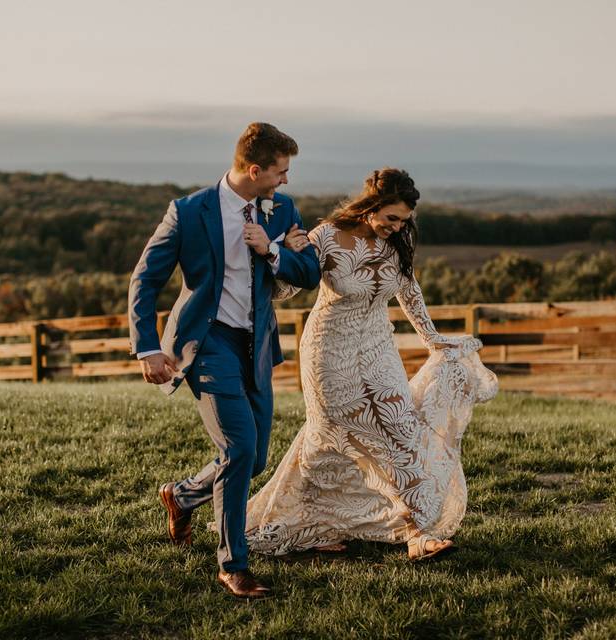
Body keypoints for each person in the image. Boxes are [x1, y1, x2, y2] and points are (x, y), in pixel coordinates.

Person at [244, 168, 498, 561]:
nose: (396, 228)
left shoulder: (397, 244)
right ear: (370, 208)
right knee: (331, 442)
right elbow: (285, 289)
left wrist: (433, 339)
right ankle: (308, 522)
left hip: (379, 347)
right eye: (391, 218)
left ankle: (417, 532)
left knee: (401, 430)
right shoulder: (325, 236)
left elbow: (409, 292)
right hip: (329, 352)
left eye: (403, 221)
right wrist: (281, 252)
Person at [128, 123, 320, 598]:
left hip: (255, 345)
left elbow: (310, 272)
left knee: (254, 459)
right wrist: (148, 347)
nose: (285, 182)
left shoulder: (282, 210)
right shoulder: (189, 212)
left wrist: (271, 250)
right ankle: (234, 565)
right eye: (280, 172)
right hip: (206, 343)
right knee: (238, 448)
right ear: (254, 170)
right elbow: (145, 280)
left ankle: (182, 494)